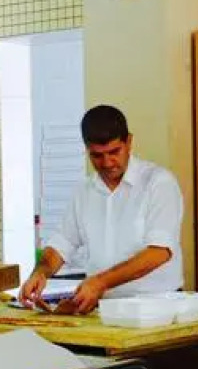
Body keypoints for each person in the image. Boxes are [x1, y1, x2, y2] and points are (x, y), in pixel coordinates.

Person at [19, 105, 183, 315]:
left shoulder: (159, 183)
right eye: (97, 156)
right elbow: (62, 243)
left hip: (158, 310)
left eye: (114, 152)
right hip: (106, 310)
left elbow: (159, 252)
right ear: (87, 150)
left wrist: (100, 282)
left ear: (129, 142)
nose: (107, 163)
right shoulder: (84, 191)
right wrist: (40, 273)